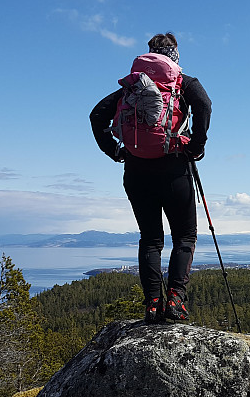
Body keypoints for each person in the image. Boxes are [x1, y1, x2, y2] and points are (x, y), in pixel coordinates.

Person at [90, 32, 212, 323]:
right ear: (175, 55)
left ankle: (153, 303)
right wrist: (196, 146)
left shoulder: (131, 87)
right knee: (185, 236)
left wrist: (114, 150)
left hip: (136, 170)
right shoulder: (183, 82)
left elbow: (97, 116)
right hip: (174, 167)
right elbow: (204, 106)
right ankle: (176, 301)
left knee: (151, 239)